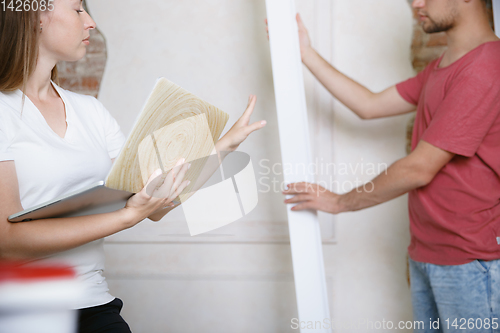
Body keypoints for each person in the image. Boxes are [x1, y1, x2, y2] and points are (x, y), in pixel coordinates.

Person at [0, 1, 266, 332]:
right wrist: (126, 216)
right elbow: (6, 239)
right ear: (36, 15)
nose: (91, 23)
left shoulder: (91, 112)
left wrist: (223, 145)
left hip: (93, 302)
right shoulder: (4, 112)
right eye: (78, 10)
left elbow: (153, 205)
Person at [276, 0, 500, 331]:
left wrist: (339, 202)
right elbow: (369, 105)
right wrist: (306, 53)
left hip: (470, 263)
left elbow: (418, 168)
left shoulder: (486, 67)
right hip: (429, 254)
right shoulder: (444, 65)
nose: (415, 3)